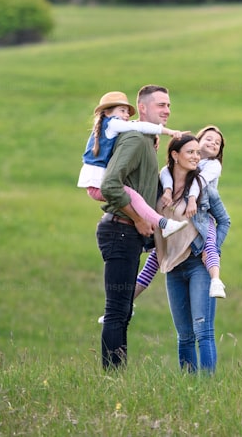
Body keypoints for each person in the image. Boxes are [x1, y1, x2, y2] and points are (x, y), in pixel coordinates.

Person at [95, 84, 172, 369]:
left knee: (123, 310)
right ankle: (112, 378)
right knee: (117, 311)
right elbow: (110, 184)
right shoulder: (136, 140)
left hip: (128, 232)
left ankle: (116, 377)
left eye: (168, 106)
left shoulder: (147, 141)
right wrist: (139, 219)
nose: (166, 110)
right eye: (160, 105)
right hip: (121, 229)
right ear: (142, 108)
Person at [153, 134, 231, 374]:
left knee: (203, 331)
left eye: (198, 153)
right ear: (175, 155)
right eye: (191, 152)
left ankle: (208, 391)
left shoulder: (204, 189)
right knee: (184, 335)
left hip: (198, 264)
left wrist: (212, 250)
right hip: (173, 267)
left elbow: (224, 221)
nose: (197, 156)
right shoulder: (160, 188)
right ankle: (189, 387)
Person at [133, 125, 228, 300]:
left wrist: (192, 199)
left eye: (218, 143)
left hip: (202, 216)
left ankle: (216, 280)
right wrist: (168, 191)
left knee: (210, 246)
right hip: (177, 221)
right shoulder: (189, 162)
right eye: (209, 139)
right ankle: (128, 303)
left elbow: (200, 180)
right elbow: (165, 173)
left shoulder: (212, 166)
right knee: (154, 260)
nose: (213, 144)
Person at [78, 90, 188, 239]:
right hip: (121, 229)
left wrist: (152, 136)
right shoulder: (124, 131)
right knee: (134, 197)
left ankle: (162, 224)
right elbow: (110, 186)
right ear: (108, 113)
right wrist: (169, 132)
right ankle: (164, 224)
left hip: (123, 229)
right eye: (122, 111)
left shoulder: (115, 128)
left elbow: (135, 125)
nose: (126, 115)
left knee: (134, 196)